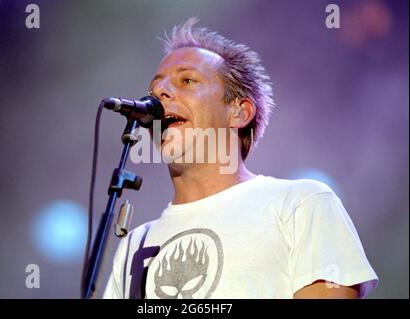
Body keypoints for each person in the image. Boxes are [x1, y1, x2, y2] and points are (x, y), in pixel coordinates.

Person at [103, 17, 378, 299]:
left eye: (187, 80)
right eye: (155, 88)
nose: (160, 94)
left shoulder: (300, 204)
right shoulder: (134, 244)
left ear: (239, 112)